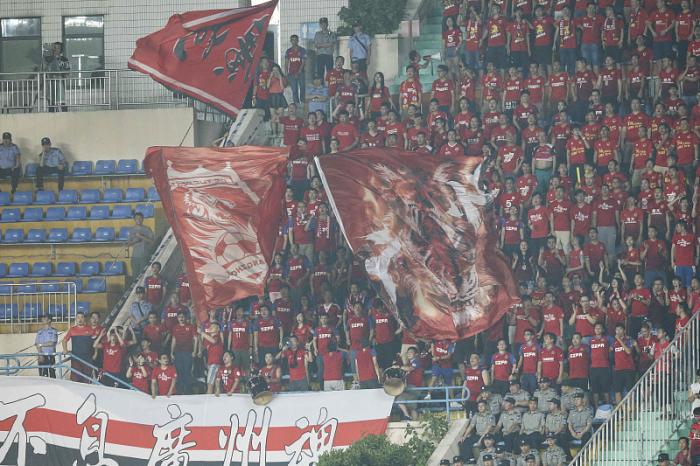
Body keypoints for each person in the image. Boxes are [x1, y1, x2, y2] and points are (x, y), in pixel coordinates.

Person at [62, 312, 95, 383]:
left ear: (84, 319)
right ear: (76, 319)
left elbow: (95, 343)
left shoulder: (90, 329)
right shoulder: (72, 330)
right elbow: (64, 340)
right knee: (75, 379)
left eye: (82, 317)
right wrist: (65, 349)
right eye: (78, 317)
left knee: (87, 380)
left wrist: (95, 354)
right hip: (76, 359)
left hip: (87, 359)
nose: (80, 319)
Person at [170, 311, 197, 395]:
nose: (181, 318)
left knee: (187, 371)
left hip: (188, 352)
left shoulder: (191, 327)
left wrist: (195, 351)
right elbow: (174, 340)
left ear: (185, 318)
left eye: (182, 317)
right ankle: (180, 390)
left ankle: (188, 390)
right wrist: (171, 352)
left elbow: (196, 339)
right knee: (179, 371)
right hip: (178, 352)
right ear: (177, 318)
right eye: (179, 317)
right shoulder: (175, 327)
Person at [43, 42, 70, 112]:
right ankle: (51, 115)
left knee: (61, 100)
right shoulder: (48, 59)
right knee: (51, 101)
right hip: (50, 82)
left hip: (60, 82)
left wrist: (64, 72)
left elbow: (67, 71)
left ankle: (65, 115)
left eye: (58, 48)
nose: (55, 49)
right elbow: (44, 69)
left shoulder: (64, 59)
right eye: (54, 47)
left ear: (61, 50)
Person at [127, 212, 155, 279]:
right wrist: (135, 241)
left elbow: (152, 242)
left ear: (143, 219)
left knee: (144, 276)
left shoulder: (147, 229)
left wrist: (141, 236)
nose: (138, 220)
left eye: (140, 218)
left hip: (144, 256)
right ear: (134, 219)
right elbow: (127, 244)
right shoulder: (131, 230)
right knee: (135, 276)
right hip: (135, 257)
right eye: (137, 218)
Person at [199, 322, 224, 394]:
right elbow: (203, 347)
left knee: (210, 384)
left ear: (218, 329)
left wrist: (202, 333)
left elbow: (213, 341)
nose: (210, 328)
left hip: (215, 362)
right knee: (215, 383)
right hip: (211, 363)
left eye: (213, 327)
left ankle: (208, 398)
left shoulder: (217, 337)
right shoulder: (208, 339)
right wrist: (200, 336)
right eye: (210, 327)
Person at [285, 35, 306, 104]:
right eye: (292, 40)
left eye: (295, 39)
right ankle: (296, 104)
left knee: (302, 87)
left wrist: (298, 72)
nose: (294, 41)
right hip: (291, 73)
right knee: (294, 89)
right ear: (290, 41)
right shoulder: (288, 51)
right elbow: (286, 63)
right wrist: (286, 73)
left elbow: (303, 63)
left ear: (298, 40)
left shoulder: (302, 50)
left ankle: (302, 102)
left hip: (301, 73)